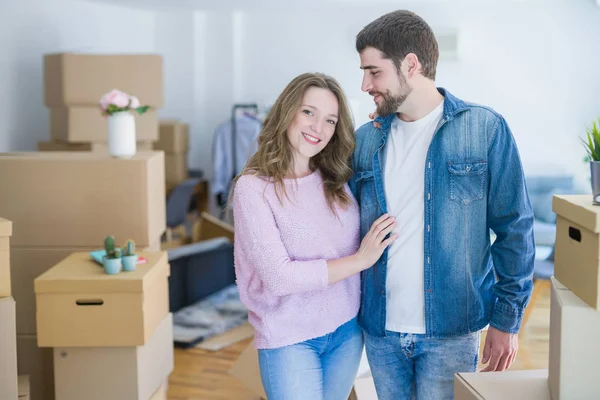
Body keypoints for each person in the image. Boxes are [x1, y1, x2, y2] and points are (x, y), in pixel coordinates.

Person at [349, 10, 535, 400]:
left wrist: (507, 321)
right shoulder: (365, 139)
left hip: (452, 331)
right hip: (380, 331)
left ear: (410, 65)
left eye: (374, 71)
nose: (365, 84)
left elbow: (514, 228)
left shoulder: (484, 128)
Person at [230, 72, 397, 400]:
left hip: (347, 330)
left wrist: (386, 126)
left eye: (330, 120)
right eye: (309, 112)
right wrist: (360, 260)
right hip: (290, 338)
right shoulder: (253, 188)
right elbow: (280, 277)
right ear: (287, 111)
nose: (318, 128)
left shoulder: (335, 176)